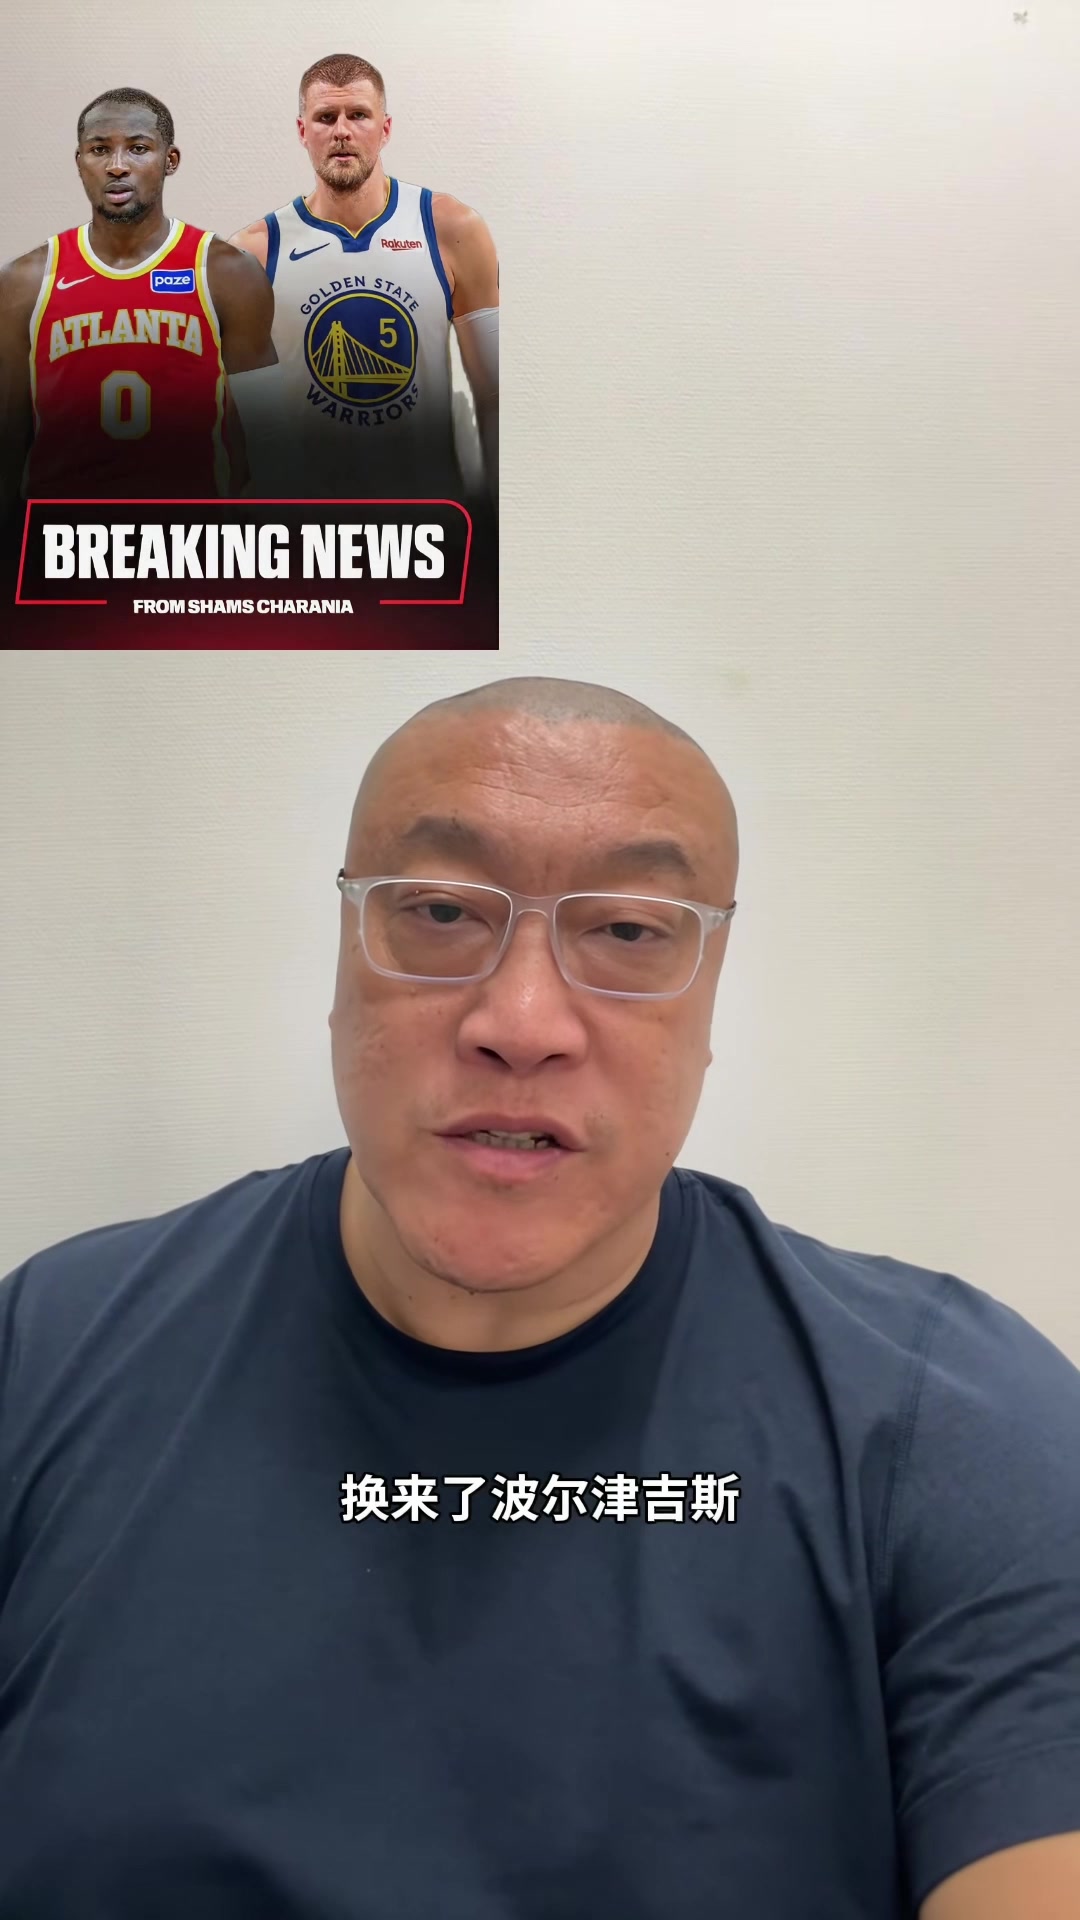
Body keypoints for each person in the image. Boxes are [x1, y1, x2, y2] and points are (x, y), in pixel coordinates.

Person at [1, 674, 1078, 1920]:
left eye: (628, 931)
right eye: (441, 911)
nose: (521, 1022)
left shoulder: (959, 1438)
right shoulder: (47, 1358)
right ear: (343, 958)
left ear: (711, 997)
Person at [228, 52, 498, 507]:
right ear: (302, 132)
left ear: (385, 128)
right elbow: (237, 430)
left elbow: (495, 396)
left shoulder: (449, 229)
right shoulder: (252, 253)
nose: (342, 131)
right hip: (309, 534)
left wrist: (497, 522)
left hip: (427, 528)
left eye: (358, 115)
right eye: (325, 117)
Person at [0, 87, 276, 519]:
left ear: (170, 160)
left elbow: (267, 446)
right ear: (79, 161)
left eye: (138, 148)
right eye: (99, 149)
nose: (117, 165)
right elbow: (8, 447)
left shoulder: (227, 274)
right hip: (61, 544)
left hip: (184, 546)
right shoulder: (25, 282)